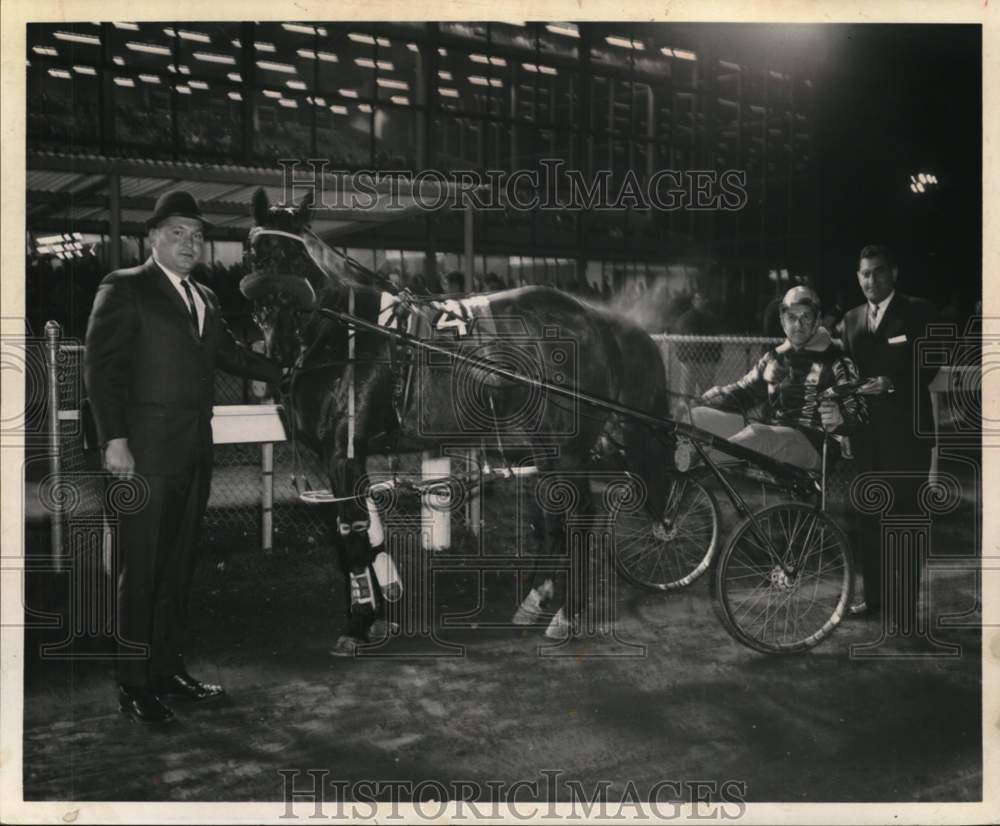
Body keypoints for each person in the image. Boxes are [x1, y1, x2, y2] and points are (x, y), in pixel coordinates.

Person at [84, 190, 282, 724]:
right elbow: (101, 372)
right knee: (140, 569)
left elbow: (232, 357)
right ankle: (132, 683)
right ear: (152, 239)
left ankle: (167, 670)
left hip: (194, 453)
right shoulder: (124, 289)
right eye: (177, 233)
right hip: (142, 455)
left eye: (196, 235)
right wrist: (114, 440)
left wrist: (288, 370)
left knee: (175, 568)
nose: (189, 243)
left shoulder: (207, 299)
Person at [840, 244, 939, 628]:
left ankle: (905, 610)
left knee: (906, 522)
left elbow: (929, 365)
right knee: (869, 521)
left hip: (907, 438)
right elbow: (847, 381)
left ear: (893, 273)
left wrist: (892, 384)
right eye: (865, 273)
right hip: (867, 439)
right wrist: (847, 428)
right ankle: (875, 600)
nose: (871, 280)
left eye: (878, 272)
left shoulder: (919, 312)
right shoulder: (849, 320)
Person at [689, 286, 866, 471]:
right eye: (791, 317)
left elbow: (860, 413)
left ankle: (697, 465)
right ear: (782, 320)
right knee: (698, 417)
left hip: (814, 444)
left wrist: (842, 418)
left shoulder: (837, 362)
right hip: (772, 433)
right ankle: (686, 468)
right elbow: (744, 391)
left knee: (758, 435)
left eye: (806, 316)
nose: (798, 325)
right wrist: (708, 399)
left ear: (817, 320)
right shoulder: (774, 358)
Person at [674, 291, 723, 399]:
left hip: (707, 361)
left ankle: (704, 413)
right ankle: (686, 413)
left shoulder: (711, 319)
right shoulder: (686, 319)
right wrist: (683, 357)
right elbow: (679, 341)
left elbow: (718, 340)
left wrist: (715, 357)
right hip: (690, 361)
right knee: (687, 392)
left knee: (706, 393)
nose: (703, 302)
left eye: (704, 299)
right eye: (699, 299)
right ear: (694, 301)